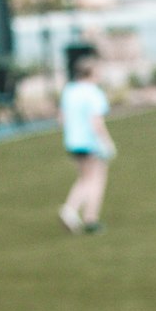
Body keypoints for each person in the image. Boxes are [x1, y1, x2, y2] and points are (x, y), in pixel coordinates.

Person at [58, 48, 115, 235]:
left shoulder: (69, 91)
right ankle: (82, 215)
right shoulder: (93, 93)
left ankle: (78, 213)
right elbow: (96, 122)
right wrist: (106, 142)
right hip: (90, 142)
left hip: (73, 142)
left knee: (84, 178)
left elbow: (62, 118)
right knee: (95, 179)